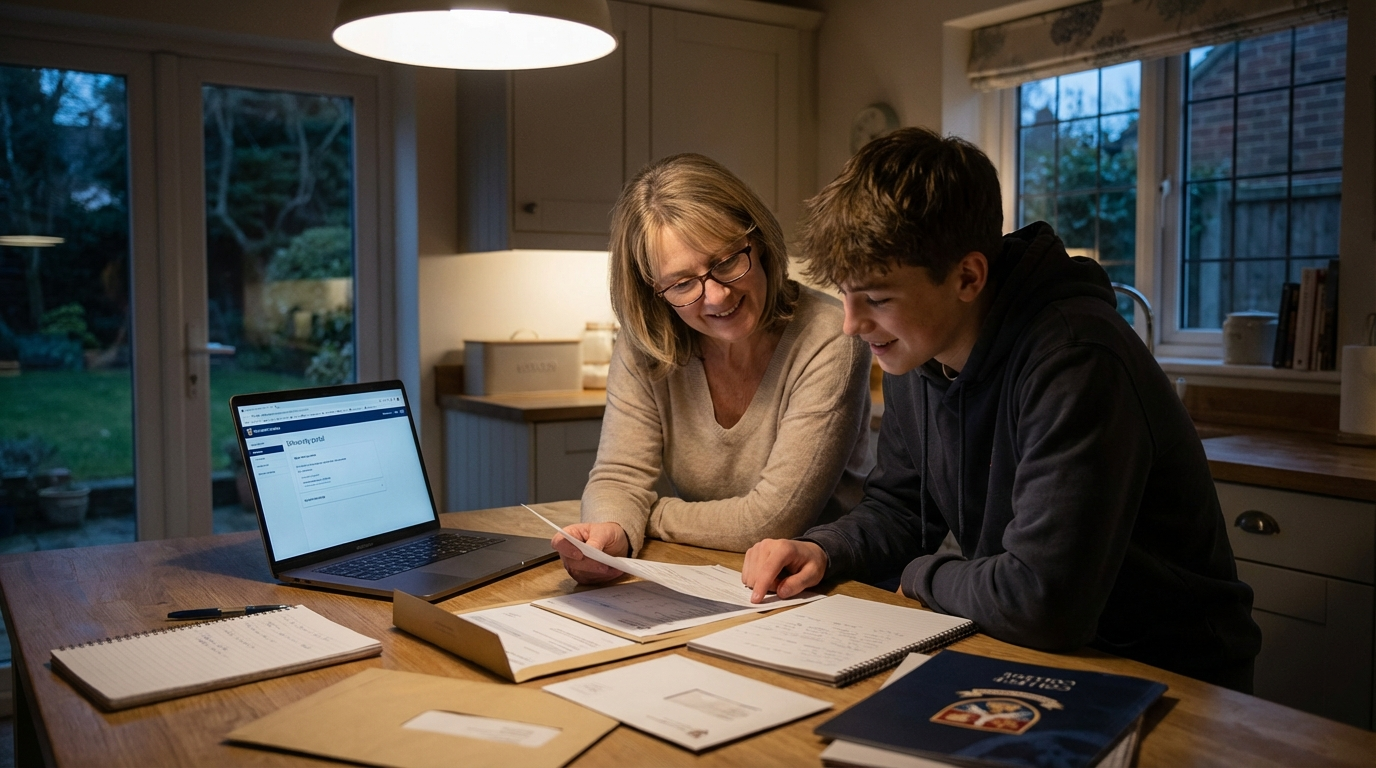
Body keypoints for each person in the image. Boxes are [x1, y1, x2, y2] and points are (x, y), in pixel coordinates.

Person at [741, 128, 1261, 692]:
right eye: (845, 294)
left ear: (968, 276)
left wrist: (923, 574)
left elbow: (1044, 599)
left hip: (1168, 674)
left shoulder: (1076, 358)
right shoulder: (916, 350)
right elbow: (900, 511)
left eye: (878, 298)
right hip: (1039, 654)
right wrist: (823, 548)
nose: (852, 323)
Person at [553, 153, 873, 584]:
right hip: (709, 575)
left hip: (828, 587)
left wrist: (646, 515)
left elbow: (772, 521)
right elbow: (619, 475)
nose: (718, 296)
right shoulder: (645, 343)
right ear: (655, 292)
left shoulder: (830, 337)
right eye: (683, 283)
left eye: (726, 262)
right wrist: (612, 533)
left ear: (757, 242)